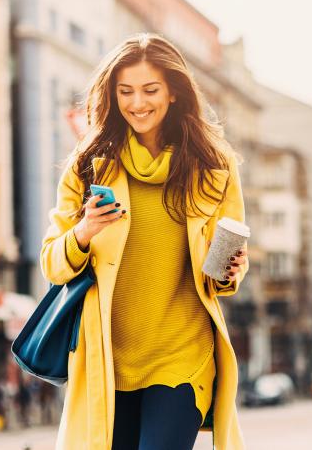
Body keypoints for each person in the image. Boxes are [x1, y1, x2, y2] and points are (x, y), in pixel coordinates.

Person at [39, 33, 249, 450]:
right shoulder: (88, 165)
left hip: (181, 357)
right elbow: (52, 264)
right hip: (107, 361)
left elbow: (224, 267)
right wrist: (84, 231)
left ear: (173, 92)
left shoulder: (213, 165)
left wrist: (232, 271)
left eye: (150, 90)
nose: (138, 103)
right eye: (126, 91)